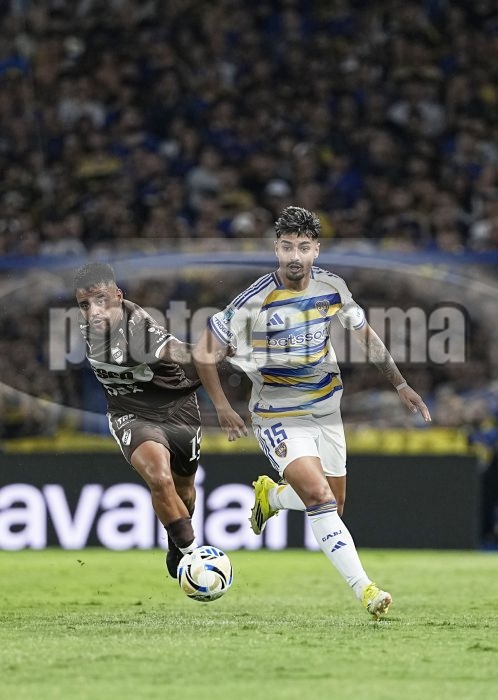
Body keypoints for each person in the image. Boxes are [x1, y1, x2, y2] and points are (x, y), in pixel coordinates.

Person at [193, 205, 431, 618]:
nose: (295, 256)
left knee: (334, 504)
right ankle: (367, 590)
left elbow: (365, 335)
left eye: (303, 247)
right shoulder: (253, 301)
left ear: (316, 250)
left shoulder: (333, 287)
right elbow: (203, 351)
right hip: (277, 414)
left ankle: (274, 497)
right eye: (287, 247)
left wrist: (399, 383)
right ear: (276, 249)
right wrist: (222, 405)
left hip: (326, 410)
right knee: (319, 497)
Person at [74, 262, 201, 578]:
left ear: (118, 296)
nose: (93, 311)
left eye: (101, 300)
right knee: (159, 477)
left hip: (176, 406)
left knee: (185, 488)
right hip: (129, 412)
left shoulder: (139, 329)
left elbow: (179, 351)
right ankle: (194, 557)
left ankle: (176, 543)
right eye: (85, 305)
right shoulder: (86, 325)